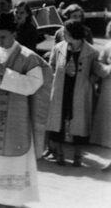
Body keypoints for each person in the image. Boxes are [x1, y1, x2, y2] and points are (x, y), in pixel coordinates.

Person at [0, 12, 52, 207]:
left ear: (13, 35)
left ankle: (14, 200)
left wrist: (6, 74)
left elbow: (34, 84)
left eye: (3, 37)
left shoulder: (28, 57)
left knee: (13, 159)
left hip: (17, 117)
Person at [45, 19, 99, 166]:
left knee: (79, 124)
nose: (63, 35)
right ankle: (60, 155)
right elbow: (52, 65)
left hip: (80, 92)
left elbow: (96, 72)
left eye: (66, 32)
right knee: (58, 122)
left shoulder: (91, 51)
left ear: (74, 34)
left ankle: (78, 156)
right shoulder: (58, 48)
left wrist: (89, 83)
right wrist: (54, 78)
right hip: (61, 90)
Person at [89, 20, 111, 150]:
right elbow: (99, 64)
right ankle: (104, 139)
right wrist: (108, 70)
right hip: (109, 82)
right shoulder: (108, 46)